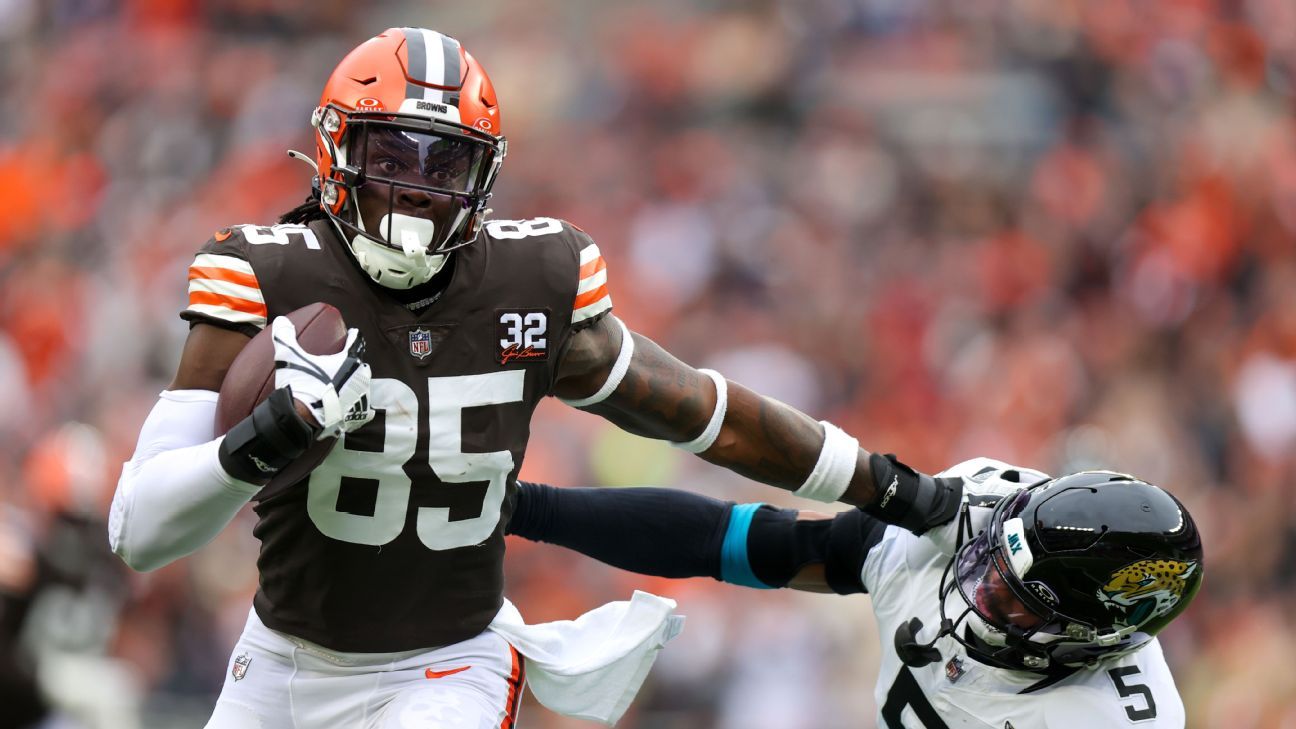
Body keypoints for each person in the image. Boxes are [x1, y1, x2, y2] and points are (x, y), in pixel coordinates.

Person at [107, 27, 963, 729]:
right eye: (392, 156)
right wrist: (267, 439)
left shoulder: (531, 285)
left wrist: (887, 484)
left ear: (483, 177)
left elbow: (703, 412)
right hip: (281, 659)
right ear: (336, 149)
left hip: (445, 667)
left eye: (444, 165)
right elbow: (139, 531)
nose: (416, 190)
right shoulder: (264, 275)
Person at [508, 458, 1204, 728]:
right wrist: (527, 508)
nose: (977, 586)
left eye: (1014, 598)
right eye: (991, 562)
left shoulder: (1105, 717)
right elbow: (742, 541)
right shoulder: (958, 534)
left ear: (1091, 639)